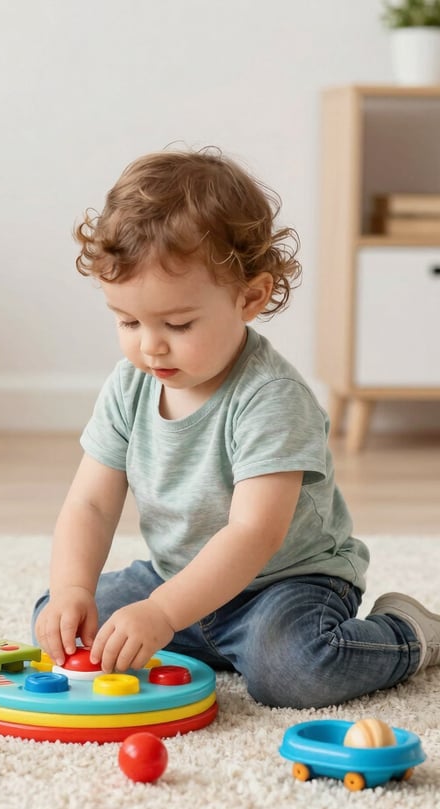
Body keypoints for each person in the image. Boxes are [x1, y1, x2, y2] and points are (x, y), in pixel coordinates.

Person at [32, 147, 440, 710]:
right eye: (127, 321)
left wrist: (161, 614)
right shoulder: (130, 385)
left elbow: (254, 534)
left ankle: (408, 633)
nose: (149, 345)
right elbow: (91, 506)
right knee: (58, 618)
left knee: (293, 673)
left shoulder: (271, 398)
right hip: (175, 576)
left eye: (177, 323)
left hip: (284, 586)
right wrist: (72, 590)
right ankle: (206, 642)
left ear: (250, 297)